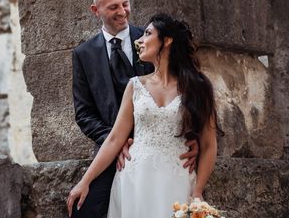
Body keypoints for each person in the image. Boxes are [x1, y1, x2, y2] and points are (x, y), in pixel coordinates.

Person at [67, 13, 220, 218]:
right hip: (134, 180)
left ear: (167, 40)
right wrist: (84, 181)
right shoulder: (135, 86)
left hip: (178, 179)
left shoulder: (199, 87)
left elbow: (209, 145)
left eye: (147, 34)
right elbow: (114, 139)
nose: (139, 40)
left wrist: (198, 192)